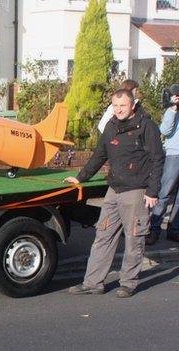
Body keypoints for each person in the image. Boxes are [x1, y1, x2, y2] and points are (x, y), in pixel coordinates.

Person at [65, 89, 164, 298]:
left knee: (134, 238)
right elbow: (99, 155)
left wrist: (153, 191)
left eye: (123, 106)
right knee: (103, 235)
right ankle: (93, 282)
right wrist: (81, 177)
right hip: (114, 190)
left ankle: (128, 283)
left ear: (132, 105)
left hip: (137, 191)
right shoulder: (110, 126)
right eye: (115, 106)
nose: (118, 110)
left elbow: (157, 159)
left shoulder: (146, 126)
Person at [148, 84, 179, 245]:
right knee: (164, 194)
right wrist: (173, 109)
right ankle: (154, 229)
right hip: (175, 154)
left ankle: (174, 230)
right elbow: (165, 131)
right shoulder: (172, 111)